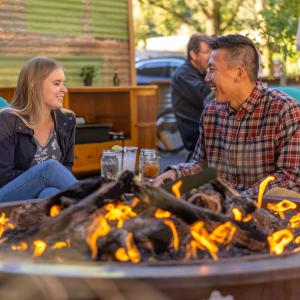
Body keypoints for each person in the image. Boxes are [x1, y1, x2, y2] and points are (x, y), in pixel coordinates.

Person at [154, 34, 300, 198]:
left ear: (238, 73)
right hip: (223, 209)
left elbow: (290, 176)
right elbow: (202, 165)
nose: (207, 77)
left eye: (212, 69)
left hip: (267, 211)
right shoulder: (211, 112)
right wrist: (174, 174)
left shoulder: (284, 110)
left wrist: (239, 200)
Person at [0, 56, 79, 202]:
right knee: (50, 169)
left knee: (49, 194)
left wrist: (42, 185)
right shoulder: (7, 120)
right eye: (57, 83)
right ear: (33, 85)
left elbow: (67, 166)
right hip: (5, 194)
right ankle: (100, 205)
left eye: (63, 83)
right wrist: (42, 177)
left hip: (37, 198)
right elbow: (3, 176)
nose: (64, 89)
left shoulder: (67, 120)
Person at [171, 33, 212, 153]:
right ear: (193, 54)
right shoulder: (183, 74)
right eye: (207, 52)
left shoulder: (200, 73)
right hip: (196, 132)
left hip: (206, 126)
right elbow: (206, 98)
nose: (211, 57)